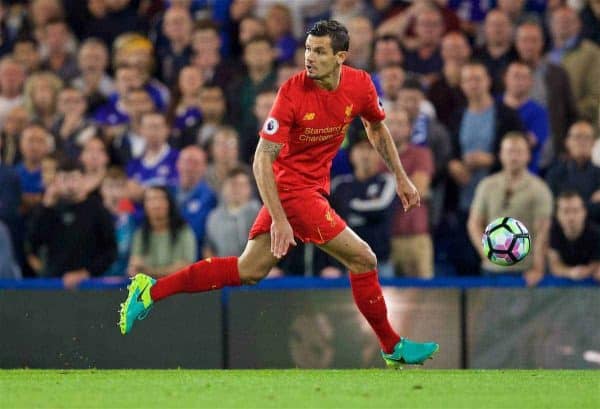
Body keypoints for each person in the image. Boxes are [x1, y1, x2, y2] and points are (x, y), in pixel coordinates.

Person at [119, 20, 439, 367]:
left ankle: (149, 291)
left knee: (248, 270)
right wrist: (282, 220)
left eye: (319, 51)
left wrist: (401, 177)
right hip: (293, 192)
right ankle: (392, 347)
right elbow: (261, 160)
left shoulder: (360, 84)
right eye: (307, 49)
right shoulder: (292, 92)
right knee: (363, 259)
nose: (310, 58)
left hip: (309, 190)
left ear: (340, 57)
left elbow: (375, 128)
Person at [467, 132, 553, 286]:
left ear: (528, 155)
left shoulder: (539, 188)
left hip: (525, 271)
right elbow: (474, 223)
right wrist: (486, 253)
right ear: (501, 155)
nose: (514, 157)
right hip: (491, 269)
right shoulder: (486, 185)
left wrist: (538, 267)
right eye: (509, 151)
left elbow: (543, 230)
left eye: (519, 152)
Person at [27, 159, 116, 288]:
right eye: (64, 179)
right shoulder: (49, 209)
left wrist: (87, 273)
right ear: (57, 181)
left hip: (90, 286)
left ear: (83, 179)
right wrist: (46, 206)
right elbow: (33, 242)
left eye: (74, 178)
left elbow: (110, 251)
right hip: (54, 284)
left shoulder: (97, 209)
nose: (69, 185)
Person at [329, 136, 396, 278]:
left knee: (385, 300)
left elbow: (380, 209)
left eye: (371, 149)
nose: (365, 155)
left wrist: (349, 205)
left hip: (379, 263)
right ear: (351, 155)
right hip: (346, 263)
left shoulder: (387, 181)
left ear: (379, 155)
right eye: (360, 149)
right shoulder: (339, 184)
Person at [127, 185, 197, 277]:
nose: (156, 204)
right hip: (149, 290)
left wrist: (148, 271)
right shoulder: (140, 234)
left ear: (169, 203)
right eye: (151, 200)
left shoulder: (184, 231)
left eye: (160, 199)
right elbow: (134, 267)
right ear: (144, 205)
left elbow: (186, 267)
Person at [501, 61, 550, 174]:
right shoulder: (494, 105)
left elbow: (529, 142)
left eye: (524, 77)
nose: (519, 81)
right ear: (505, 79)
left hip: (527, 173)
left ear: (531, 82)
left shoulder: (539, 112)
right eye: (515, 76)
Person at [204, 167, 260, 258]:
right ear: (223, 188)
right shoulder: (213, 217)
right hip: (223, 267)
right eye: (233, 184)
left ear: (249, 188)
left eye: (241, 185)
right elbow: (209, 247)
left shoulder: (259, 213)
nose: (237, 189)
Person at [548, 190, 600, 281]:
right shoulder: (553, 232)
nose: (571, 217)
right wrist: (571, 272)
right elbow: (554, 265)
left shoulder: (596, 234)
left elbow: (596, 265)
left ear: (584, 212)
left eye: (575, 211)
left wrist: (588, 271)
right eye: (566, 211)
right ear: (557, 215)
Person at [175, 146, 217, 257]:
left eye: (195, 163)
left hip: (196, 257)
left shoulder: (209, 196)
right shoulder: (168, 192)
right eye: (186, 162)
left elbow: (198, 230)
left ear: (204, 167)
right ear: (178, 164)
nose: (190, 168)